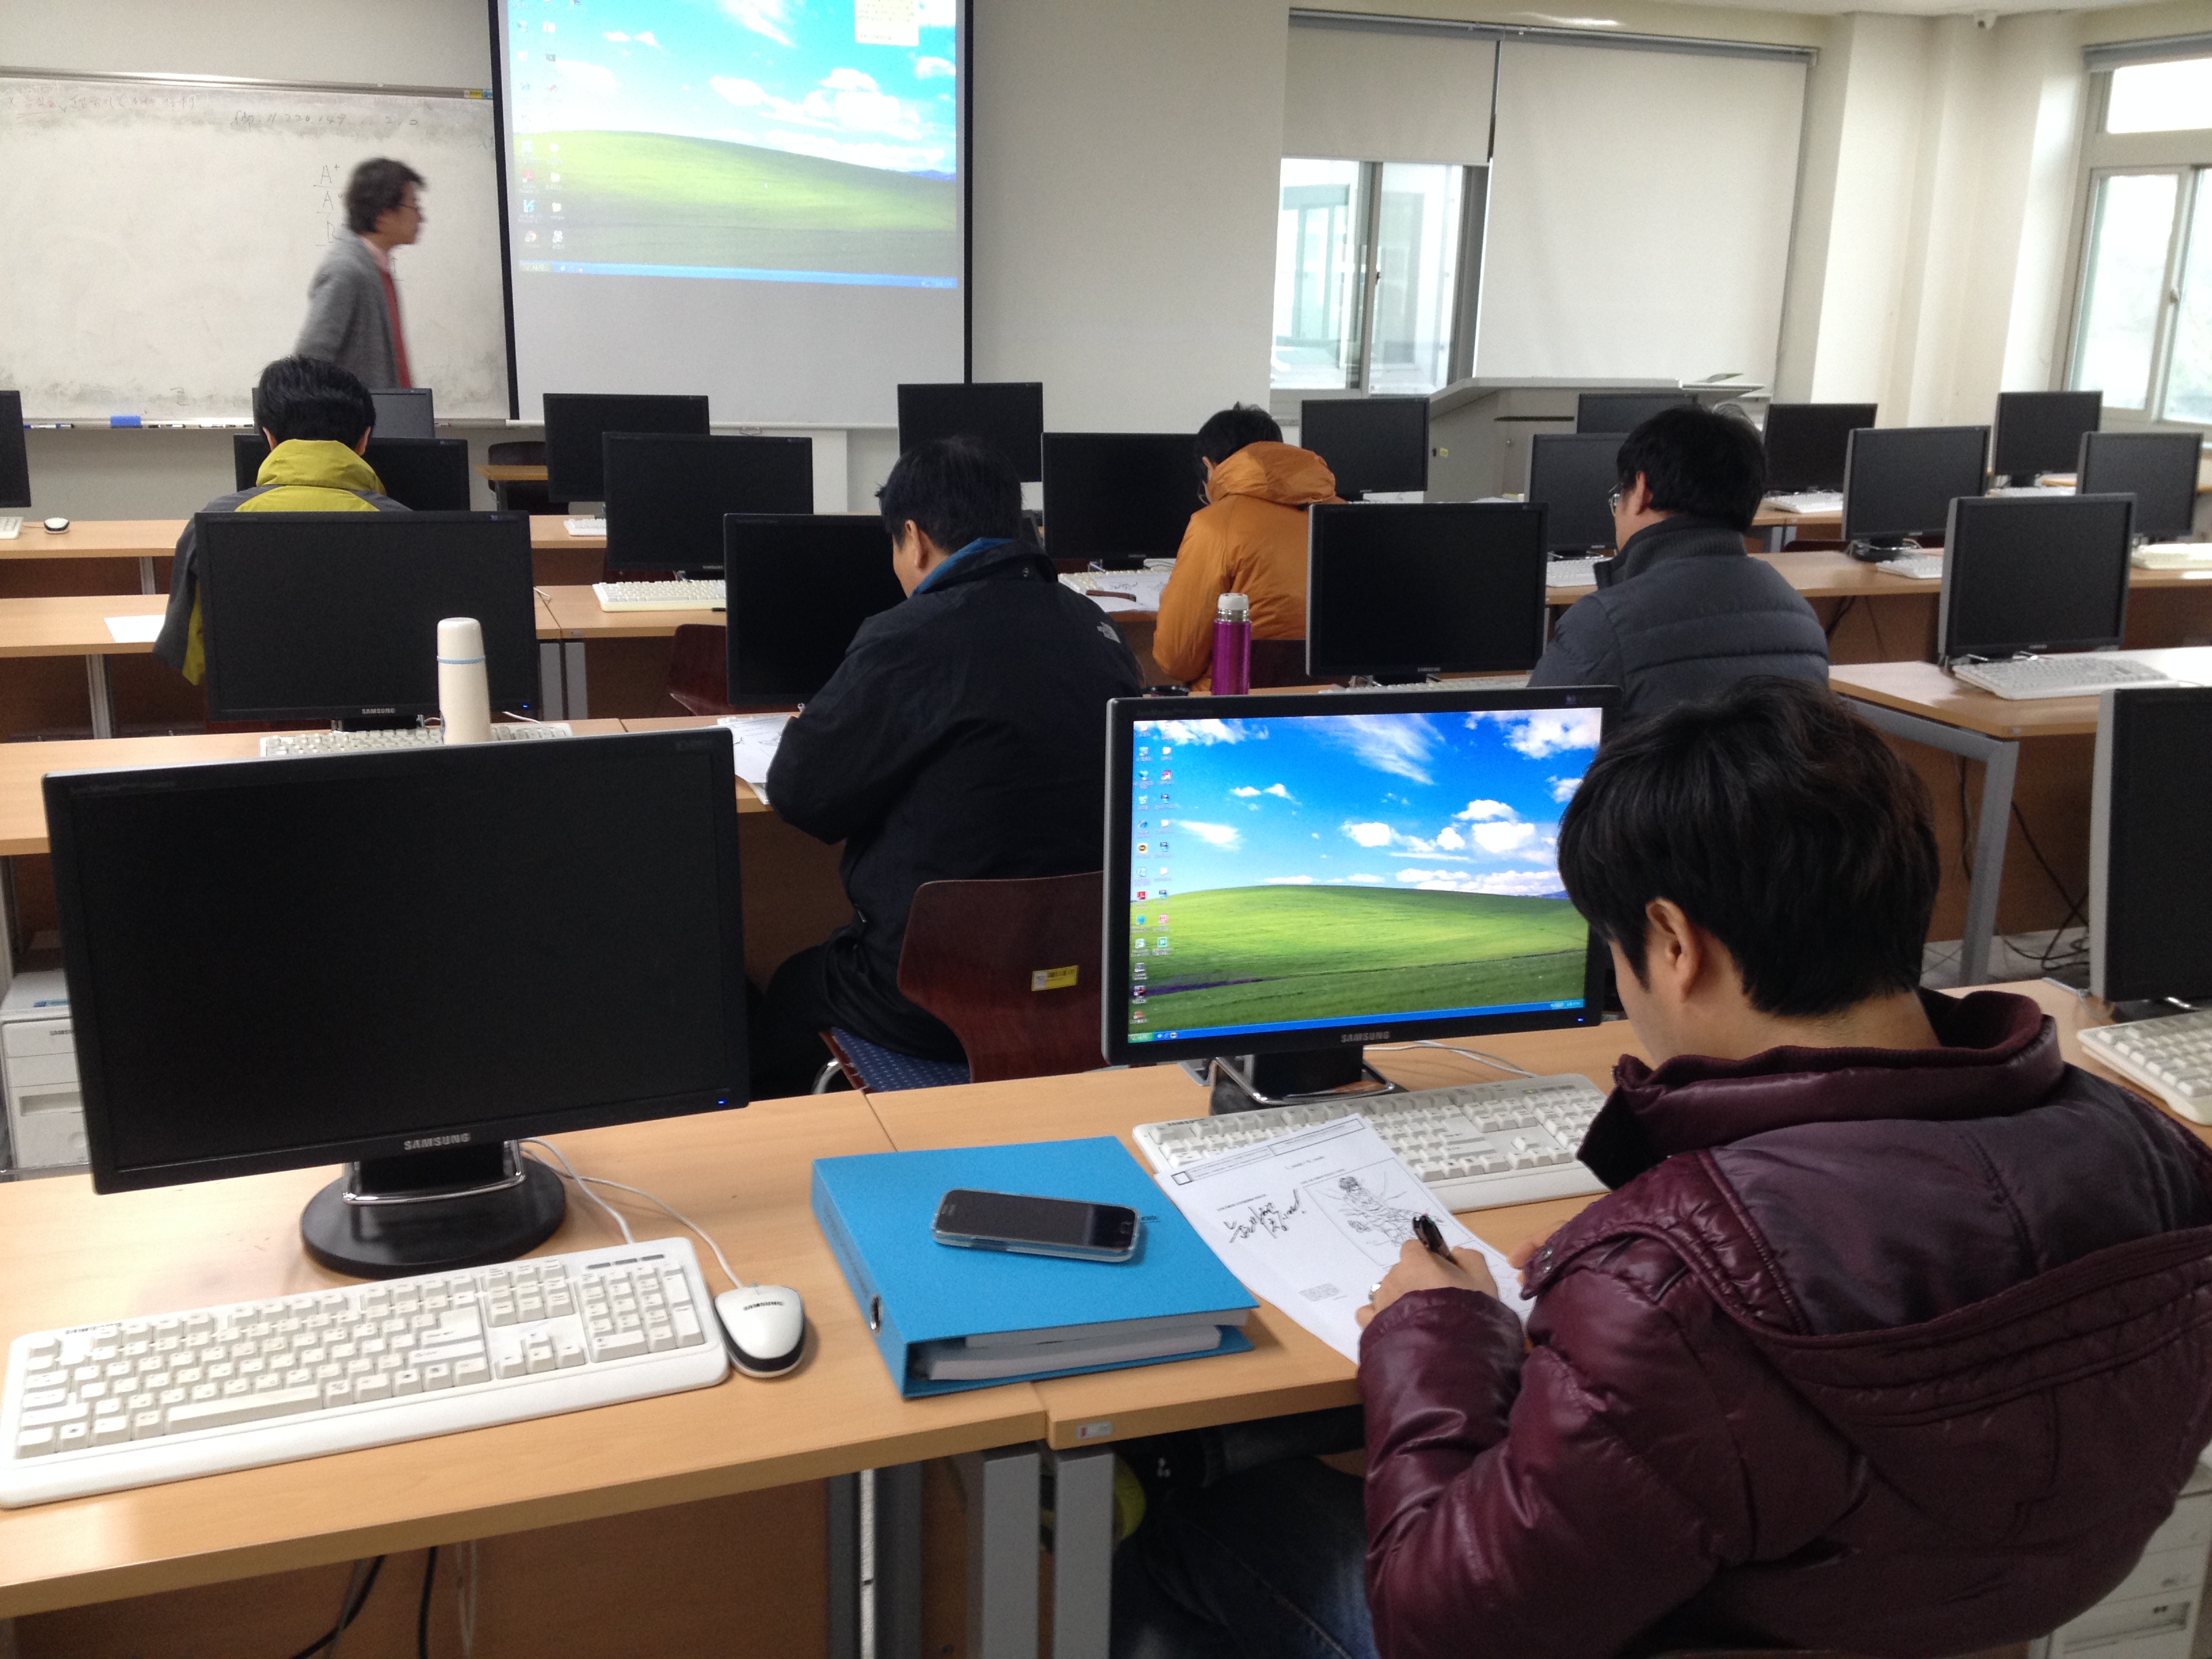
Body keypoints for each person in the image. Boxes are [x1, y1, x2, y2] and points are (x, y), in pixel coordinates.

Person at [1113, 678, 2212, 1659]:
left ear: (1675, 943)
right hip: (1944, 1610)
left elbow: (1436, 1626)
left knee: (1204, 1521)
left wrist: (1433, 1326)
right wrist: (1622, 1273)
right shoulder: (2151, 1153)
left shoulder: (1674, 1291)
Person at [751, 438, 1144, 1097]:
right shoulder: (1097, 629)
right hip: (1091, 981)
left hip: (928, 999)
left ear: (915, 538)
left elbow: (800, 794)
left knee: (791, 983)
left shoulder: (906, 636)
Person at [1529, 404, 1827, 722]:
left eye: (1618, 497)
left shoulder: (1604, 624)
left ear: (1642, 491)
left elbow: (1534, 730)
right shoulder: (1802, 619)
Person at [152, 356, 406, 684]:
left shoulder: (212, 523)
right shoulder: (407, 526)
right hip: (378, 706)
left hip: (248, 708)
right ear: (364, 441)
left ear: (269, 438)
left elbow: (192, 659)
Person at [1153, 404, 1339, 692]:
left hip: (1236, 703)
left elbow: (1177, 660)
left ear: (1209, 466)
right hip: (1338, 702)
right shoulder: (1346, 516)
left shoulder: (1215, 525)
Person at [295, 158, 426, 390]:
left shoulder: (376, 268)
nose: (421, 218)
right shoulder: (346, 271)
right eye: (414, 207)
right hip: (359, 415)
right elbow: (308, 365)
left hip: (388, 412)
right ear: (384, 215)